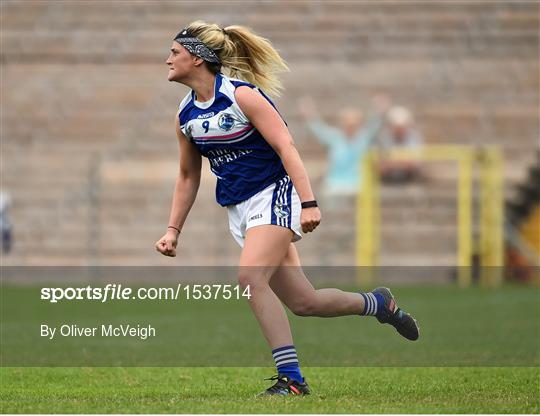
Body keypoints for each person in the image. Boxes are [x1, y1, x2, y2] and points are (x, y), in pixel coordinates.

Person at [155, 21, 419, 396]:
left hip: (274, 195)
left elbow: (286, 147)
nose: (168, 60)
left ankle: (291, 380)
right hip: (240, 209)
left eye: (175, 53)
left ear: (198, 59)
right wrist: (172, 230)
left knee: (249, 279)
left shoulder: (243, 96)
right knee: (303, 301)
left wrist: (308, 202)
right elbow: (187, 176)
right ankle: (379, 303)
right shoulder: (185, 114)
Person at [298, 95, 388, 198]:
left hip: (358, 184)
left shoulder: (363, 138)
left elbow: (374, 125)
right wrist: (309, 115)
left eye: (353, 124)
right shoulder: (335, 138)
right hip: (335, 184)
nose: (350, 127)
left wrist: (380, 111)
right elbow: (319, 129)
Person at [377, 106, 424, 184]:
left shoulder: (414, 137)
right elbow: (380, 166)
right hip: (386, 180)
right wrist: (402, 162)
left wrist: (391, 163)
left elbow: (415, 164)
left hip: (410, 180)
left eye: (402, 127)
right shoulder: (383, 138)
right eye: (397, 127)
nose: (400, 130)